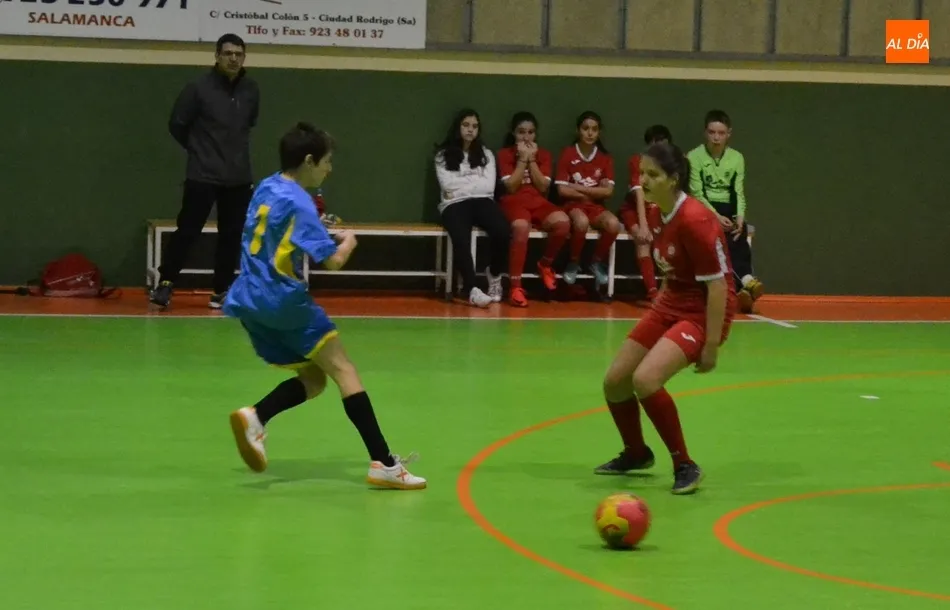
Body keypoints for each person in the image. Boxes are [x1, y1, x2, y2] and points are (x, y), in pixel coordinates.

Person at [223, 122, 426, 491]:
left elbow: (278, 232)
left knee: (314, 379)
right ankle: (384, 463)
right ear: (308, 160)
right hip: (283, 301)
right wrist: (348, 241)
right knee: (345, 371)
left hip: (248, 299)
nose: (330, 169)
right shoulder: (301, 203)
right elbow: (332, 261)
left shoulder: (266, 186)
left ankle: (256, 417)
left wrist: (314, 227)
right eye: (327, 161)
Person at [597, 141, 738, 495]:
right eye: (641, 173)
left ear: (673, 179)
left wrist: (711, 345)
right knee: (615, 381)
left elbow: (718, 286)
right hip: (672, 300)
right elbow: (671, 269)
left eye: (653, 174)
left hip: (703, 310)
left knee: (646, 380)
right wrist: (660, 304)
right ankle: (636, 453)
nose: (643, 181)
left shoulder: (695, 220)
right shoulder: (657, 212)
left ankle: (684, 465)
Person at [150, 33, 261, 311]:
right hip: (202, 174)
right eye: (228, 53)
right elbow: (177, 124)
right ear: (217, 56)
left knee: (231, 235)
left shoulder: (251, 90)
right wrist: (198, 150)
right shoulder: (198, 88)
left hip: (238, 177)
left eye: (238, 54)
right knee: (188, 230)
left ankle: (221, 290)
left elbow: (248, 124)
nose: (233, 59)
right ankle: (166, 283)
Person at [687, 109, 764, 313]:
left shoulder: (737, 158)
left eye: (721, 133)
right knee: (718, 237)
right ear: (705, 132)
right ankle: (745, 283)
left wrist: (740, 216)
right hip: (703, 208)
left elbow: (738, 190)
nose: (716, 138)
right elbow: (697, 193)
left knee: (739, 232)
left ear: (728, 134)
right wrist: (715, 216)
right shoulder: (694, 157)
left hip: (728, 207)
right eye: (712, 132)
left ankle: (744, 286)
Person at [434, 108, 510, 308]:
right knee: (460, 237)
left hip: (482, 201)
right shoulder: (442, 155)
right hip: (453, 205)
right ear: (457, 127)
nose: (470, 130)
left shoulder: (486, 154)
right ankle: (473, 289)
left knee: (503, 230)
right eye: (466, 125)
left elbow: (488, 187)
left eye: (475, 126)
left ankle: (494, 274)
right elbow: (447, 186)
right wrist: (472, 183)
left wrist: (462, 185)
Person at [496, 111, 571, 307]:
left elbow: (543, 187)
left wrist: (531, 160)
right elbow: (511, 186)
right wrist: (522, 159)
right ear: (513, 133)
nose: (526, 137)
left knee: (563, 223)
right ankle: (515, 287)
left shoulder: (544, 155)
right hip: (513, 201)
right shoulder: (504, 155)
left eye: (530, 132)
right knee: (521, 227)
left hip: (537, 201)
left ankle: (545, 264)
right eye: (521, 132)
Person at [555, 111, 623, 290]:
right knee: (581, 222)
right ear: (578, 130)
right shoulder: (568, 153)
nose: (590, 133)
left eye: (594, 129)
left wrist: (575, 187)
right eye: (586, 128)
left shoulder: (605, 158)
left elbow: (608, 192)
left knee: (613, 224)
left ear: (599, 132)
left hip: (596, 207)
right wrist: (594, 191)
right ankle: (574, 262)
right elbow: (562, 190)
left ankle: (596, 261)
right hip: (572, 205)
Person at [618, 125, 672, 302]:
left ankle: (671, 293)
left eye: (664, 145)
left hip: (658, 210)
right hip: (634, 210)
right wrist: (643, 225)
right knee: (643, 240)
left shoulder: (671, 166)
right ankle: (652, 293)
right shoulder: (637, 161)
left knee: (668, 248)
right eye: (655, 145)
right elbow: (639, 193)